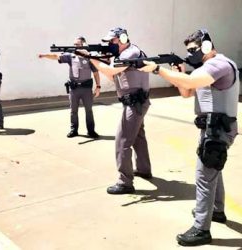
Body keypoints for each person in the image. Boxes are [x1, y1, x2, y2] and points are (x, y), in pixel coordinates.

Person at [139, 29, 239, 246]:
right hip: (210, 129)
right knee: (213, 170)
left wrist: (158, 69)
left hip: (218, 130)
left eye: (193, 49)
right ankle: (216, 210)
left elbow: (191, 82)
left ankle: (201, 229)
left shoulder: (219, 64)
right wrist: (179, 72)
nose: (190, 54)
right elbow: (186, 91)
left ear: (206, 46)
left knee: (204, 176)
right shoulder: (204, 68)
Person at [82, 27, 152, 194]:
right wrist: (101, 60)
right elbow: (115, 77)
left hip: (134, 103)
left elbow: (111, 70)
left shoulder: (130, 54)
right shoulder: (127, 54)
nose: (109, 45)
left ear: (122, 38)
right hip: (137, 102)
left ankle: (125, 182)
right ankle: (143, 169)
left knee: (122, 141)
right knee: (138, 137)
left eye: (111, 41)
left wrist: (91, 58)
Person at [39, 36, 101, 138]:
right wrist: (45, 55)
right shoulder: (71, 56)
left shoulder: (89, 57)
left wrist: (98, 86)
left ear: (83, 45)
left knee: (89, 110)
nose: (75, 46)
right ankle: (74, 130)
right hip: (74, 88)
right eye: (74, 44)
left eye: (78, 44)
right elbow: (56, 56)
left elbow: (96, 73)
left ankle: (91, 131)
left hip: (86, 88)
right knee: (73, 110)